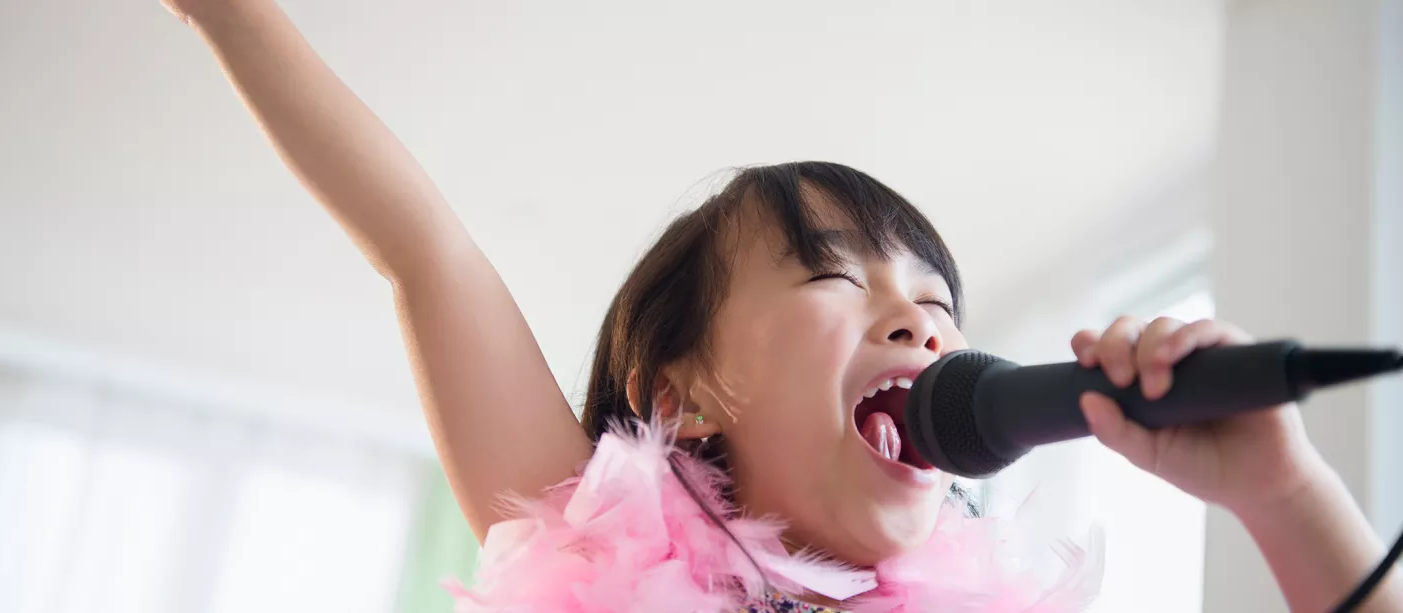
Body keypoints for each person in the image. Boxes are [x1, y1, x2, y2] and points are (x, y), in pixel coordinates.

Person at [160, 0, 1402, 610]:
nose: (919, 320)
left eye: (935, 300)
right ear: (683, 390)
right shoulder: (604, 558)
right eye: (834, 273)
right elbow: (427, 251)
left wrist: (1284, 498)